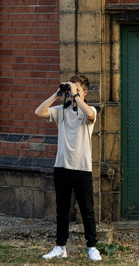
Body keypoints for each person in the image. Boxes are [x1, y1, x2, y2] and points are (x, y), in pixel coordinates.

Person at [35, 74, 102, 261]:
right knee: (61, 209)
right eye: (71, 90)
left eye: (77, 90)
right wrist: (58, 94)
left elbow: (89, 115)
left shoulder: (90, 110)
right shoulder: (61, 111)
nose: (72, 93)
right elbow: (39, 112)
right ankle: (60, 247)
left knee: (87, 209)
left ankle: (92, 247)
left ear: (85, 92)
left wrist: (77, 97)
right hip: (62, 166)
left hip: (82, 167)